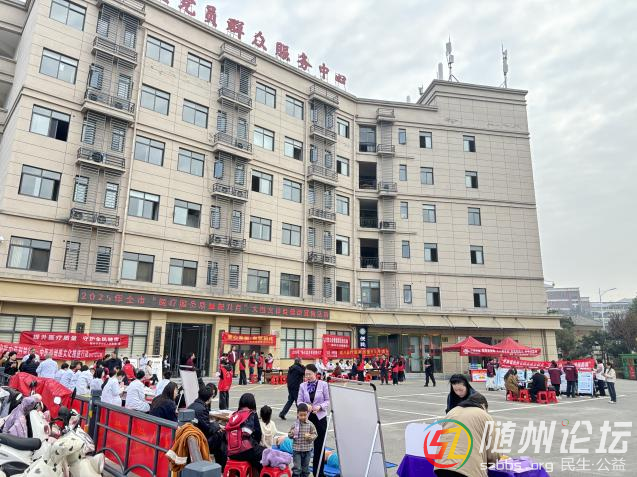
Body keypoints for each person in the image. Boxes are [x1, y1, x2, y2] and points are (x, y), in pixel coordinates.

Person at [435, 393, 501, 477]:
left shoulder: (451, 412)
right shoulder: (484, 415)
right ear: (483, 406)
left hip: (442, 466)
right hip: (468, 470)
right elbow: (494, 452)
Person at [297, 364, 329, 477]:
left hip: (320, 418)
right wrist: (306, 406)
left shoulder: (323, 384)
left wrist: (320, 407)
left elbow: (328, 400)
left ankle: (318, 472)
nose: (307, 377)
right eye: (306, 375)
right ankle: (303, 471)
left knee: (320, 446)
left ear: (316, 374)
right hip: (306, 419)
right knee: (304, 445)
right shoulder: (302, 386)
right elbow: (299, 401)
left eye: (309, 374)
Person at [188, 385, 226, 467]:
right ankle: (221, 466)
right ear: (209, 398)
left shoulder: (192, 405)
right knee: (222, 438)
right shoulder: (202, 409)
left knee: (219, 436)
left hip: (194, 436)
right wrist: (218, 426)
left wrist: (216, 426)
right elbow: (208, 429)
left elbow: (205, 424)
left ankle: (221, 465)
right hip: (200, 440)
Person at [226, 393, 265, 471]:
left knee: (254, 458)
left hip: (231, 453)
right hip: (246, 450)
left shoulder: (235, 414)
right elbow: (258, 433)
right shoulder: (252, 414)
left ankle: (239, 473)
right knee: (265, 454)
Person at [289, 402, 317, 477]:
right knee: (297, 468)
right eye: (301, 415)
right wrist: (292, 433)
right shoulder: (295, 424)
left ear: (307, 413)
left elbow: (315, 434)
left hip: (307, 450)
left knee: (305, 469)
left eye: (305, 415)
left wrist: (310, 437)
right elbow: (289, 435)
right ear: (297, 414)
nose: (303, 417)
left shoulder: (310, 424)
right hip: (297, 450)